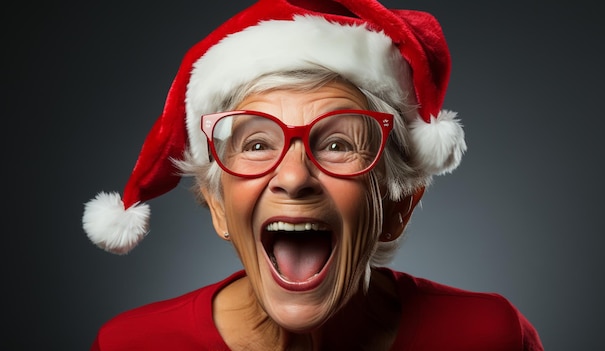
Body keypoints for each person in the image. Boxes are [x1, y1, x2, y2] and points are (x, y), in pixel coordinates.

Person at [82, 0, 544, 350]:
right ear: (218, 205)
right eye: (258, 144)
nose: (294, 177)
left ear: (399, 205)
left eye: (338, 144)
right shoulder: (133, 344)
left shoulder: (490, 336)